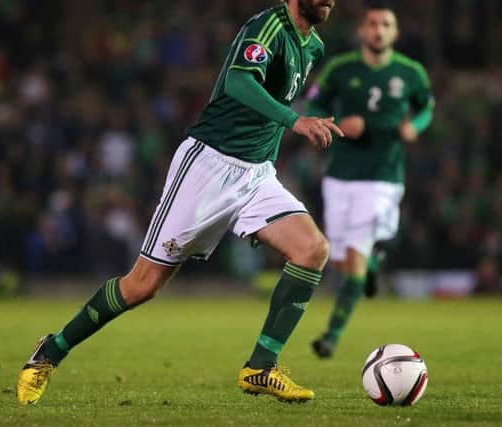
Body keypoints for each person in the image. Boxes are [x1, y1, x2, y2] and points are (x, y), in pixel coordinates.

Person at [17, 0, 342, 405]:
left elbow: (279, 99)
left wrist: (296, 126)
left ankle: (260, 367)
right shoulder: (268, 27)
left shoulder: (314, 47)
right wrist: (295, 120)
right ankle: (50, 352)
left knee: (313, 250)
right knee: (141, 286)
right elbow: (239, 83)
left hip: (256, 174)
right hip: (208, 166)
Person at [307, 2, 433, 358]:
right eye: (373, 24)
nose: (378, 30)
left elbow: (426, 107)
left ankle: (331, 335)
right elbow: (313, 106)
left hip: (382, 178)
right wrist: (338, 123)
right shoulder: (340, 69)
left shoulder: (410, 72)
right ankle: (374, 265)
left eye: (386, 25)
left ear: (395, 33)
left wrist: (415, 126)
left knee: (354, 254)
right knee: (344, 260)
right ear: (362, 30)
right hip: (339, 175)